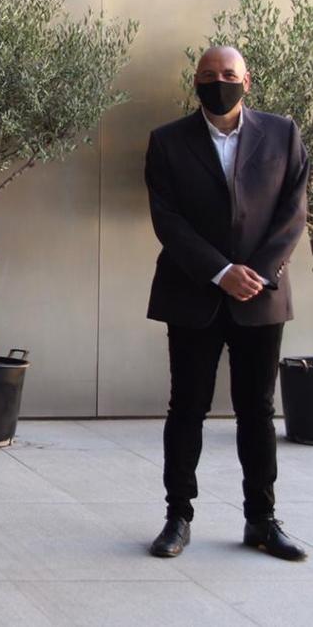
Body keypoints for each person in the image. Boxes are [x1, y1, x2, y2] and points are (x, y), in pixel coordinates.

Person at [145, 45, 309, 562]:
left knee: (257, 412)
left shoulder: (282, 133)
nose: (220, 82)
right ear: (195, 81)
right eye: (209, 75)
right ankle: (178, 517)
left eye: (229, 74)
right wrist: (220, 272)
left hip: (260, 297)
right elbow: (167, 218)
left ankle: (261, 520)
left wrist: (255, 274)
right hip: (193, 293)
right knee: (186, 409)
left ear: (248, 80)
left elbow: (293, 211)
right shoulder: (167, 141)